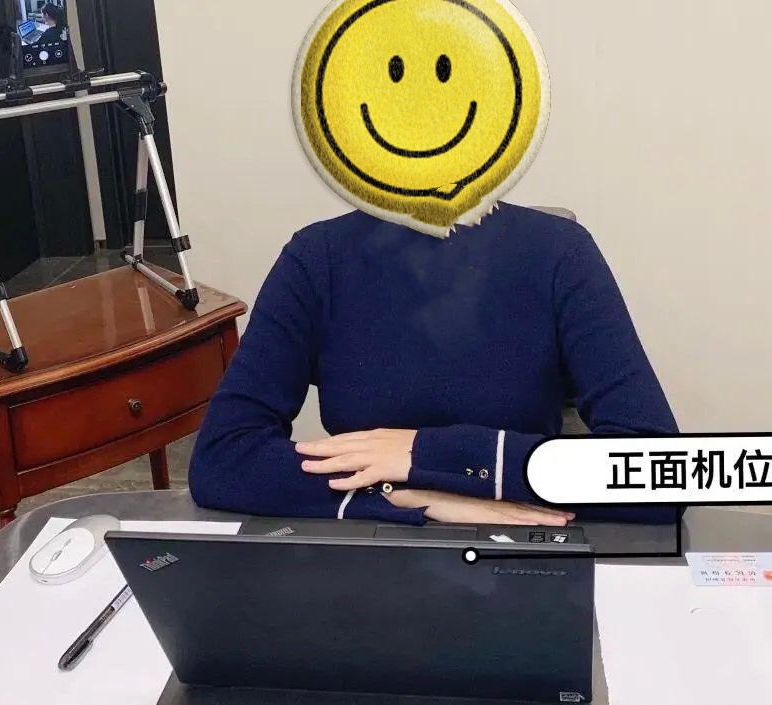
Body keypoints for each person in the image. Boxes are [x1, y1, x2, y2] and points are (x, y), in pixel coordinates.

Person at [189, 204, 681, 527]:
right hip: (372, 557)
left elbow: (659, 475)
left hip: (517, 548)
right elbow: (223, 459)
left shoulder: (560, 252)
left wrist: (426, 456)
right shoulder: (317, 258)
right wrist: (403, 497)